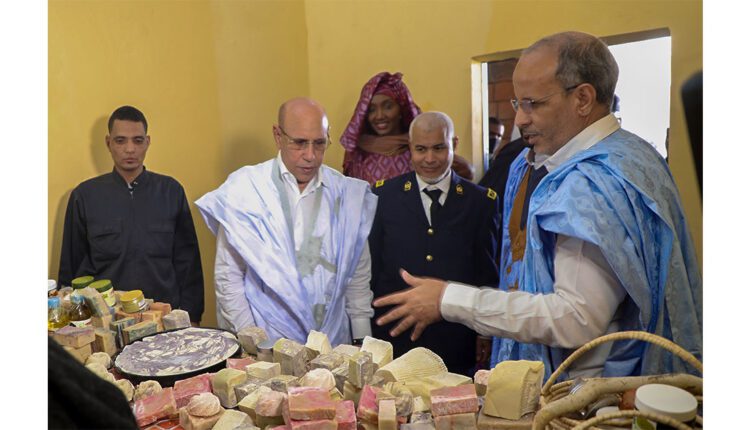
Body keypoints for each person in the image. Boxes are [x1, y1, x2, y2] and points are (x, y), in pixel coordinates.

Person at [373, 31, 702, 381]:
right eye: (518, 103)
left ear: (583, 99)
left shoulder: (590, 181)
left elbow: (575, 319)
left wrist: (448, 300)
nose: (520, 120)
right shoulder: (632, 155)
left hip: (591, 387)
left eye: (533, 104)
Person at [196, 97, 377, 346]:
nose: (310, 155)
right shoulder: (245, 190)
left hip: (335, 343)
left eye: (319, 143)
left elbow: (357, 274)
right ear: (278, 136)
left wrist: (361, 339)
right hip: (268, 342)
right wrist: (253, 344)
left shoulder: (346, 194)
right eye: (299, 143)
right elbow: (230, 277)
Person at [369, 112, 499, 375]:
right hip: (394, 336)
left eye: (439, 148)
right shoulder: (383, 196)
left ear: (454, 144)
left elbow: (486, 271)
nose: (429, 159)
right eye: (421, 149)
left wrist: (484, 332)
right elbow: (371, 269)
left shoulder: (480, 202)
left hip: (455, 336)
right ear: (410, 148)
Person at [58, 105, 205, 323]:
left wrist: (192, 317)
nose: (130, 149)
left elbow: (188, 263)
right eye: (120, 141)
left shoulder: (171, 191)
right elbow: (71, 267)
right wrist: (70, 320)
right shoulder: (85, 196)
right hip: (106, 322)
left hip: (165, 318)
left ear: (147, 142)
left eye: (137, 140)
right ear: (108, 143)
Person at [340, 71, 474, 185]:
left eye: (388, 107)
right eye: (371, 110)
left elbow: (464, 174)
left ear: (401, 109)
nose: (379, 116)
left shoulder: (421, 148)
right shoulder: (357, 154)